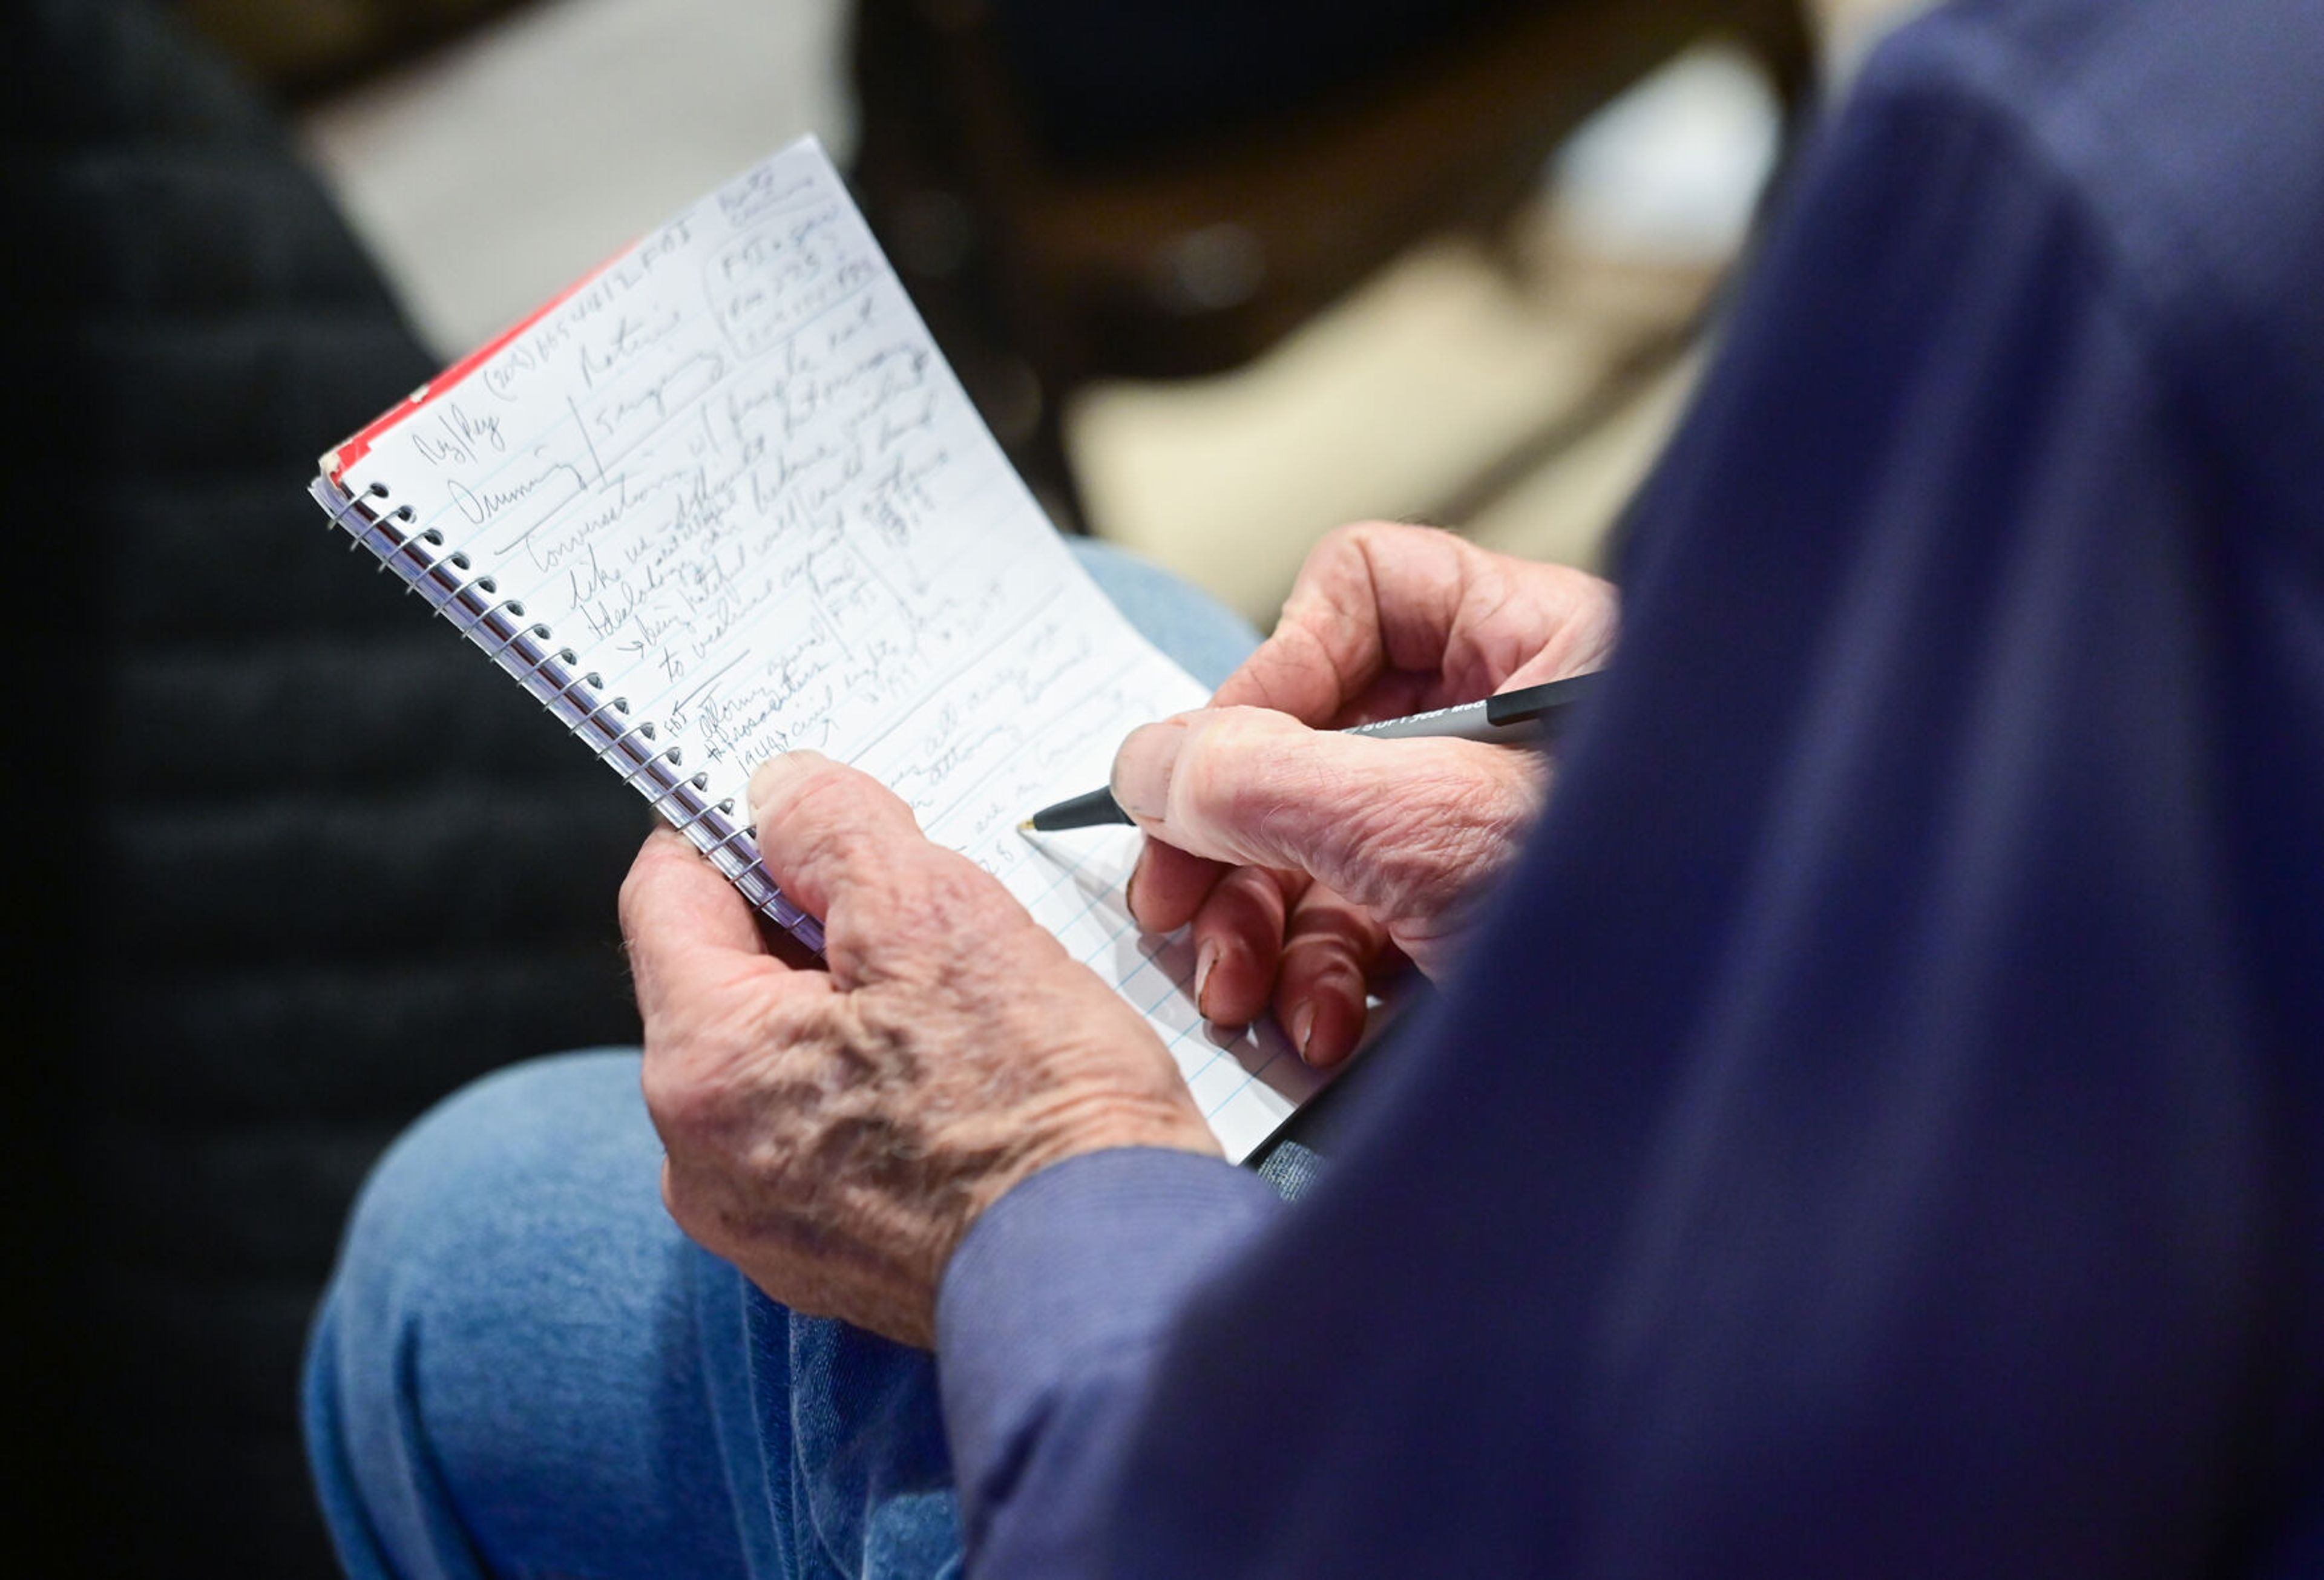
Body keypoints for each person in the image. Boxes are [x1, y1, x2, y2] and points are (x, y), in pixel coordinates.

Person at [304, 0, 2324, 1574]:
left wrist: (1038, 1185)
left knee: (453, 1246)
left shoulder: (2113, 180)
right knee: (1094, 609)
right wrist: (1664, 783)